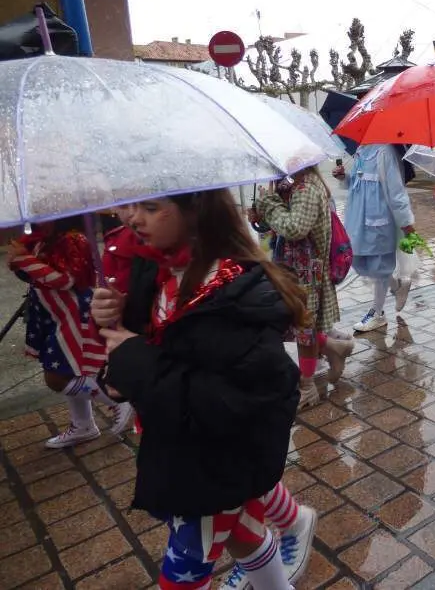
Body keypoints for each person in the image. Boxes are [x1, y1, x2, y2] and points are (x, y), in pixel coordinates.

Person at [91, 190, 303, 589]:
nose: (134, 218)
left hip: (211, 457)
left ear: (195, 210)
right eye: (131, 205)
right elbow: (148, 346)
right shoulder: (155, 268)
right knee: (243, 537)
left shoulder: (228, 289)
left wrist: (135, 359)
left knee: (182, 575)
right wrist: (114, 318)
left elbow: (227, 399)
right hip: (178, 442)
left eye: (151, 208)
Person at [7, 219, 127, 448]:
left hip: (73, 317)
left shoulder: (74, 239)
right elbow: (36, 276)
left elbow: (65, 280)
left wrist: (24, 259)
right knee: (69, 371)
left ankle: (117, 401)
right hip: (53, 316)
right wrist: (21, 259)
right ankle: (82, 425)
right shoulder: (42, 238)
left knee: (56, 377)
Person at [254, 166, 354, 408]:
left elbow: (294, 228)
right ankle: (332, 347)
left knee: (303, 329)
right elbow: (282, 226)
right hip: (294, 270)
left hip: (306, 273)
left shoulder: (306, 187)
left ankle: (307, 385)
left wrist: (269, 205)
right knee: (294, 325)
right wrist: (263, 215)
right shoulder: (294, 186)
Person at [336, 145, 415, 332]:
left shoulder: (385, 152)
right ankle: (397, 286)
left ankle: (377, 313)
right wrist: (343, 178)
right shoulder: (361, 151)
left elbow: (396, 191)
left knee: (379, 265)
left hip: (379, 219)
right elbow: (357, 183)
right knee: (359, 261)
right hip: (358, 218)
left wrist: (405, 221)